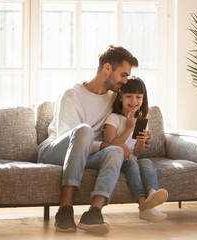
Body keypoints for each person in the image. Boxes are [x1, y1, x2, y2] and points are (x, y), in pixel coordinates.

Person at [37, 45, 144, 234]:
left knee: (116, 150)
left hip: (87, 155)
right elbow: (69, 137)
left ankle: (93, 213)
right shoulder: (72, 94)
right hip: (54, 152)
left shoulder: (114, 98)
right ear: (108, 68)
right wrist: (104, 144)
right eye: (123, 75)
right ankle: (65, 209)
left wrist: (140, 140)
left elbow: (132, 114)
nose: (125, 81)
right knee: (85, 131)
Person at [104, 76, 168, 223]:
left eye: (138, 97)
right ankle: (143, 206)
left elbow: (138, 152)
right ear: (120, 97)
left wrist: (141, 141)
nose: (134, 101)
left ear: (143, 99)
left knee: (146, 162)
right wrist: (128, 129)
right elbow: (109, 144)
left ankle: (152, 193)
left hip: (133, 157)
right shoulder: (113, 118)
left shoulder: (142, 121)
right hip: (117, 158)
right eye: (129, 96)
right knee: (132, 163)